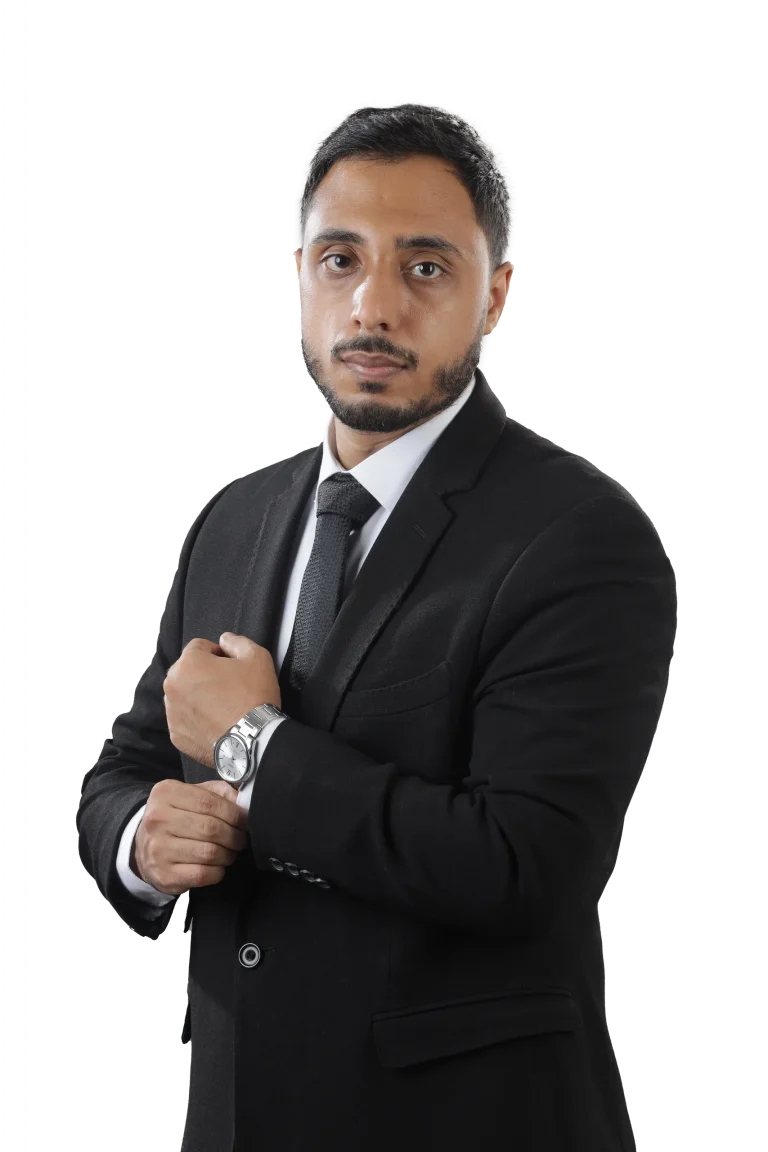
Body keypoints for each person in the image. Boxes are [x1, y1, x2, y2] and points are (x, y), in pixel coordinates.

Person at [77, 102, 676, 1151]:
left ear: (496, 293)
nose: (374, 304)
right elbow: (127, 764)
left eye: (426, 266)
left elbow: (525, 867)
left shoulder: (581, 538)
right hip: (236, 1118)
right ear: (299, 275)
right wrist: (140, 841)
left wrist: (252, 746)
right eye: (341, 259)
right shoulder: (234, 518)